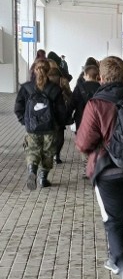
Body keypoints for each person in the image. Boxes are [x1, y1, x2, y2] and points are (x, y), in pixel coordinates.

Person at [75, 56, 123, 279]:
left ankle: (122, 266)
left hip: (106, 171)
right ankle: (116, 257)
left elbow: (84, 143)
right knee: (119, 215)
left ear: (102, 78)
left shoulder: (96, 104)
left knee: (113, 220)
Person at [14, 59, 67, 189]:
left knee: (32, 150)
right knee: (48, 153)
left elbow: (18, 107)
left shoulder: (26, 88)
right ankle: (43, 178)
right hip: (50, 128)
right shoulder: (55, 89)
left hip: (32, 128)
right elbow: (61, 110)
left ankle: (32, 170)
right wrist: (59, 125)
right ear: (48, 71)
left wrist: (25, 121)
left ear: (34, 70)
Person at [47, 66, 72, 164]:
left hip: (48, 111)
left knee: (49, 134)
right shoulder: (63, 81)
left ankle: (50, 154)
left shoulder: (45, 81)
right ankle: (56, 155)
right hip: (60, 110)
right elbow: (70, 95)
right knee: (60, 135)